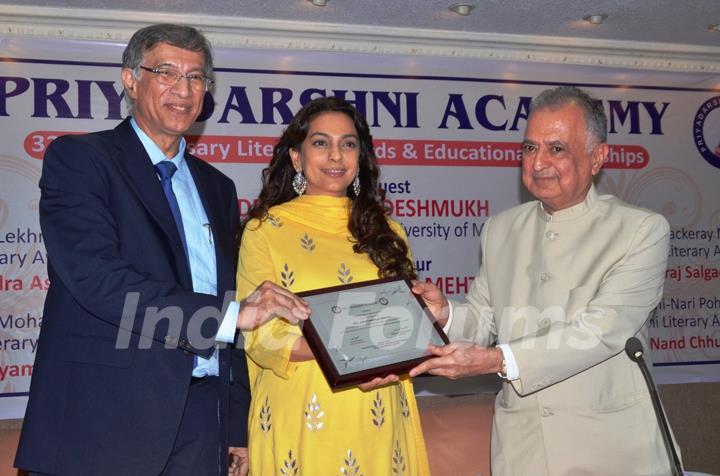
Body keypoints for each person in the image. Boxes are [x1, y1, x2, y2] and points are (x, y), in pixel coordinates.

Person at [15, 23, 308, 476]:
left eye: (196, 77)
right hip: (103, 421)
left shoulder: (218, 187)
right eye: (166, 72)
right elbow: (99, 283)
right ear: (131, 80)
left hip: (201, 424)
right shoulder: (81, 160)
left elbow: (224, 291)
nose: (183, 89)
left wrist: (234, 425)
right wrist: (229, 318)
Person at [410, 86, 677, 476]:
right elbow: (486, 322)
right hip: (524, 452)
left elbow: (601, 332)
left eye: (557, 148)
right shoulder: (500, 229)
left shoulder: (640, 230)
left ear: (597, 157)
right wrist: (445, 314)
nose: (538, 163)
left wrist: (498, 360)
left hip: (613, 452)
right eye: (530, 148)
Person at [235, 96, 431, 475]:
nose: (336, 156)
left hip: (379, 410)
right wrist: (343, 345)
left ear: (360, 158)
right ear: (296, 157)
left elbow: (404, 326)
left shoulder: (389, 233)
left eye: (348, 144)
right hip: (304, 411)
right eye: (321, 143)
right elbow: (261, 339)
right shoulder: (265, 230)